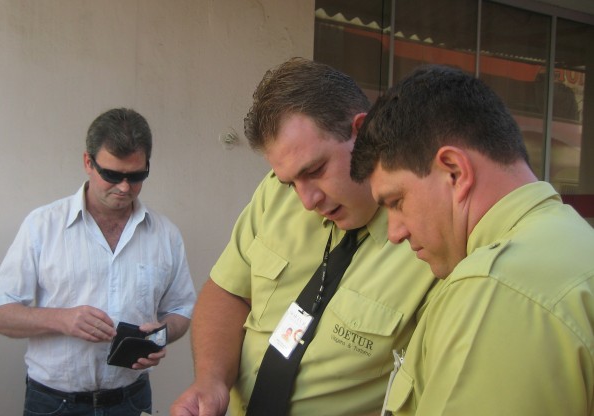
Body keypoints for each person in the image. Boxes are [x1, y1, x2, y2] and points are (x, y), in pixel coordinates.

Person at [171, 58, 436, 416]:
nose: (307, 200)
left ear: (362, 132)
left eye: (315, 170)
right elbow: (228, 291)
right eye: (291, 182)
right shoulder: (276, 194)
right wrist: (211, 381)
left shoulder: (429, 236)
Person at [350, 65, 594, 415]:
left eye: (397, 202)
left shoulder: (495, 288)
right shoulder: (574, 240)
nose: (394, 232)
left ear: (455, 171)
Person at [0, 108, 196, 416]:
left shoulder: (165, 235)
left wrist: (160, 335)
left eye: (136, 176)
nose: (124, 187)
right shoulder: (43, 226)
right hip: (54, 403)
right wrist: (62, 319)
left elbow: (180, 310)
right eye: (112, 175)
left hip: (131, 400)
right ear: (88, 162)